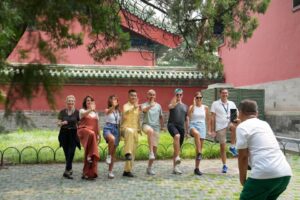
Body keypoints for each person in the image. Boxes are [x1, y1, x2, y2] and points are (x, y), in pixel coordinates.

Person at [236, 99, 292, 200]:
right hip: (284, 174)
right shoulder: (265, 124)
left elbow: (243, 157)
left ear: (239, 112)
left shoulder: (242, 127)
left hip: (264, 175)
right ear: (256, 113)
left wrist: (243, 180)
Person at [210, 88, 238, 173]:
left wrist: (236, 119)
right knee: (223, 147)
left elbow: (235, 115)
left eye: (226, 93)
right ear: (220, 94)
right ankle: (224, 165)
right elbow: (212, 117)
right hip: (220, 126)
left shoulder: (231, 103)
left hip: (229, 122)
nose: (225, 94)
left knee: (234, 127)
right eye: (223, 93)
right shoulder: (215, 104)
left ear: (228, 94)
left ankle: (232, 147)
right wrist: (212, 130)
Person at [141, 89, 164, 175]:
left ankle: (149, 168)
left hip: (156, 128)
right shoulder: (144, 105)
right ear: (147, 96)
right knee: (150, 131)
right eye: (150, 94)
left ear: (155, 96)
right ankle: (150, 152)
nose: (152, 96)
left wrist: (162, 126)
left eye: (153, 95)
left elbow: (161, 117)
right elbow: (144, 110)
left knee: (155, 149)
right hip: (146, 125)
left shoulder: (158, 106)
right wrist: (150, 105)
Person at [57, 95, 80, 179]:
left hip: (73, 134)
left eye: (72, 101)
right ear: (66, 102)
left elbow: (80, 123)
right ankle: (69, 170)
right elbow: (58, 123)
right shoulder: (62, 112)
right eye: (69, 101)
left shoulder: (77, 112)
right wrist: (63, 123)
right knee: (67, 153)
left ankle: (67, 170)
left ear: (74, 102)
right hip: (64, 134)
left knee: (71, 152)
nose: (70, 102)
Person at [77, 95, 100, 180]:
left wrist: (99, 134)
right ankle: (90, 155)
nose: (89, 102)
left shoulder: (95, 114)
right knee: (91, 134)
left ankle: (89, 174)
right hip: (84, 132)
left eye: (90, 100)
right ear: (85, 103)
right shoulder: (82, 110)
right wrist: (91, 109)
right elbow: (83, 114)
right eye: (87, 101)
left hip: (93, 135)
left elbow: (97, 125)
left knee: (88, 152)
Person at [188, 91, 210, 176]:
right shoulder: (191, 107)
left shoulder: (205, 107)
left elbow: (208, 119)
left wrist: (209, 130)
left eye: (200, 97)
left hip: (202, 127)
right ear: (195, 98)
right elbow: (189, 115)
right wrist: (193, 104)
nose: (199, 99)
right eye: (197, 97)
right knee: (196, 134)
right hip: (193, 126)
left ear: (202, 98)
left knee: (197, 149)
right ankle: (200, 152)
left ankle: (197, 168)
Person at [167, 88, 188, 175]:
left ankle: (175, 168)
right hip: (172, 125)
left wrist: (187, 131)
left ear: (182, 95)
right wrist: (175, 101)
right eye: (177, 95)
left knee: (177, 147)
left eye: (180, 95)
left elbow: (186, 119)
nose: (179, 96)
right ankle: (178, 157)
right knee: (177, 136)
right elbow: (170, 106)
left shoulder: (185, 106)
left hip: (181, 128)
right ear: (174, 95)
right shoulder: (172, 105)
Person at [121, 89, 141, 177]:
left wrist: (139, 129)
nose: (134, 97)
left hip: (135, 131)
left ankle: (127, 171)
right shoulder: (126, 106)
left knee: (133, 152)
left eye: (135, 96)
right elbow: (125, 114)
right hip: (126, 129)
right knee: (130, 131)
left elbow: (137, 119)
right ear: (128, 97)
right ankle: (127, 153)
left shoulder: (137, 108)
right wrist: (134, 107)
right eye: (132, 95)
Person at [103, 95, 121, 179]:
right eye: (113, 99)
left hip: (116, 129)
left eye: (116, 99)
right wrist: (113, 106)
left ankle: (110, 172)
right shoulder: (107, 110)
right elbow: (108, 112)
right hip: (108, 128)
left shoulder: (118, 111)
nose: (114, 101)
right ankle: (108, 155)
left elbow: (119, 122)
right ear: (110, 101)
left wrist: (120, 133)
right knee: (112, 139)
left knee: (114, 152)